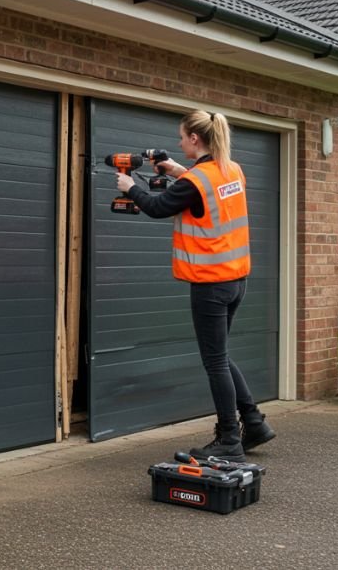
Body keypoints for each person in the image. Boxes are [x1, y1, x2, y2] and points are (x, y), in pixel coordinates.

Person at [115, 109, 275, 461]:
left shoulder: (196, 181)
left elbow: (158, 206)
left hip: (210, 284)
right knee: (221, 356)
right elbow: (207, 189)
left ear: (194, 139)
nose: (178, 141)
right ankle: (255, 423)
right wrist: (176, 170)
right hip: (236, 280)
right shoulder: (232, 170)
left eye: (181, 136)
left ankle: (229, 439)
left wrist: (131, 187)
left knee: (214, 362)